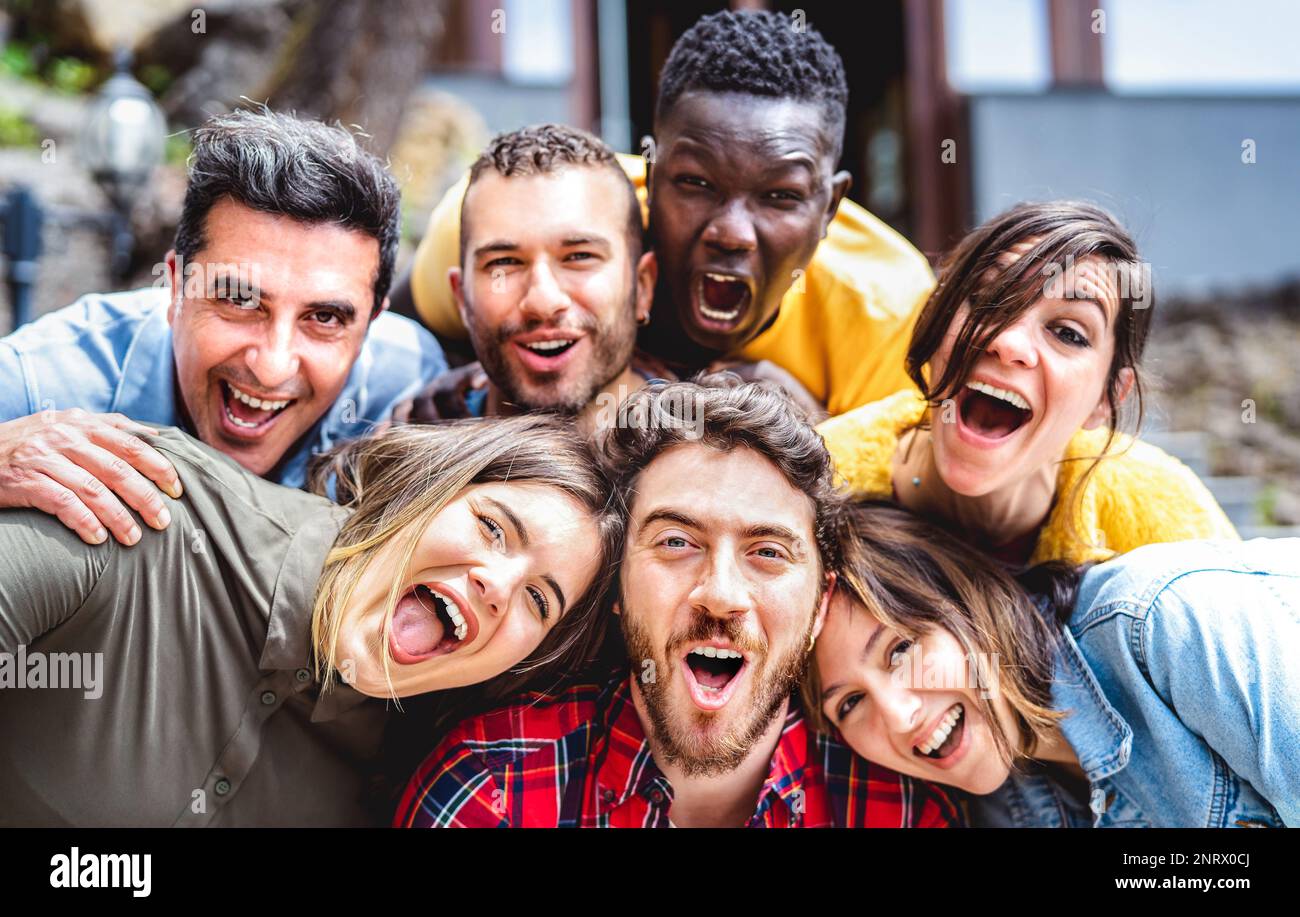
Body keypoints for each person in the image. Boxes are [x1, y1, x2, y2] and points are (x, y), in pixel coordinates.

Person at [394, 376, 958, 828]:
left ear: (818, 606)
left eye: (768, 552)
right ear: (614, 584)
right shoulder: (493, 791)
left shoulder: (903, 813)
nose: (720, 594)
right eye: (676, 543)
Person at [0, 415, 620, 826]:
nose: (499, 586)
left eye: (540, 601)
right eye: (491, 527)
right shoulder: (131, 506)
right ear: (422, 487)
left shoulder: (417, 764)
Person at [393, 9, 933, 418]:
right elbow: (387, 335)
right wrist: (487, 372)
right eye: (696, 184)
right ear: (649, 179)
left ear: (831, 206)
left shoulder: (885, 310)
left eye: (780, 197)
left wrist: (812, 439)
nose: (731, 233)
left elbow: (914, 486)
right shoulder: (523, 218)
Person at [0, 108, 446, 547]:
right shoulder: (37, 385)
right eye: (239, 300)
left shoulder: (410, 377)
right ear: (175, 287)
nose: (271, 367)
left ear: (370, 325)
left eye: (324, 318)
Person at [806, 501, 1299, 827]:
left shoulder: (1165, 621)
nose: (896, 715)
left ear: (969, 595)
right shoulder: (1006, 805)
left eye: (901, 650)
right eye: (850, 703)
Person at [816, 201, 1237, 567]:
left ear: (1106, 400)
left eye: (1068, 332)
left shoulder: (1165, 517)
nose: (1009, 343)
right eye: (987, 300)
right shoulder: (816, 482)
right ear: (936, 317)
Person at [394, 124, 666, 433]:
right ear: (461, 298)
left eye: (579, 257)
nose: (542, 301)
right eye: (505, 263)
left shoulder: (712, 452)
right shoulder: (403, 465)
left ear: (643, 286)